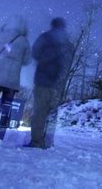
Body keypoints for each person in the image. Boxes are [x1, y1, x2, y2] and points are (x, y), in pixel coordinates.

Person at [25, 17, 73, 149]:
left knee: (40, 111)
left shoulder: (45, 37)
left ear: (52, 25)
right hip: (57, 83)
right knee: (52, 113)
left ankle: (37, 141)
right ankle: (48, 141)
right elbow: (67, 63)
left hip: (42, 78)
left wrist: (43, 61)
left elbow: (34, 53)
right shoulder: (67, 43)